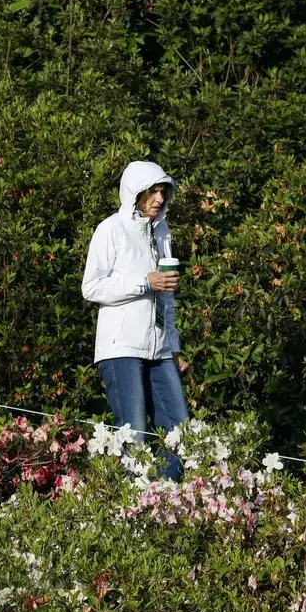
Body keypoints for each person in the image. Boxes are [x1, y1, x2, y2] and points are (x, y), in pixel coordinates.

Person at [82, 160, 188, 481]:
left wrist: (174, 346)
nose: (159, 198)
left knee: (181, 433)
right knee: (135, 437)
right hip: (120, 348)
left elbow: (165, 296)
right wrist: (144, 282)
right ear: (135, 192)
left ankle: (166, 505)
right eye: (153, 191)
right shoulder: (111, 228)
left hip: (159, 350)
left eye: (163, 192)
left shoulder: (162, 232)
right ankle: (133, 516)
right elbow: (92, 287)